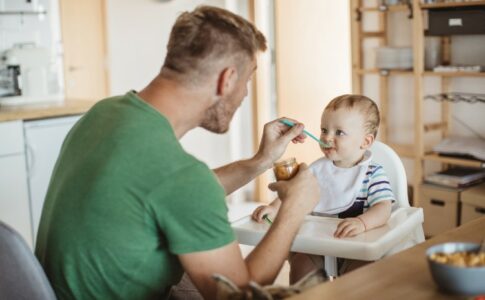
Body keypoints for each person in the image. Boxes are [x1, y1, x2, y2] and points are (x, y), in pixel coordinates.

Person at [35, 6, 320, 300]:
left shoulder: (103, 113)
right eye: (247, 81)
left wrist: (261, 162)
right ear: (227, 80)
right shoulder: (181, 178)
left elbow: (168, 193)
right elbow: (241, 294)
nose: (246, 94)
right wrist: (294, 208)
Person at [252, 94, 396, 283]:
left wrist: (362, 223)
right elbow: (294, 193)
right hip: (317, 244)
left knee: (361, 275)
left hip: (355, 246)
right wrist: (273, 207)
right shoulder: (317, 169)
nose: (327, 137)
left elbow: (383, 208)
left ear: (366, 141)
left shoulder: (372, 174)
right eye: (324, 130)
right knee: (301, 265)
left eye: (339, 133)